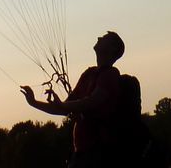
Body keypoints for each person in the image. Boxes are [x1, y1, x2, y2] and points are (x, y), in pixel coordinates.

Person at [21, 31, 140, 167]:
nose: (98, 37)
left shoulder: (111, 75)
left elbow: (91, 101)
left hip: (99, 153)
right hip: (81, 153)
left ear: (112, 49)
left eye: (105, 38)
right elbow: (63, 108)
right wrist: (34, 102)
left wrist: (63, 105)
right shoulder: (89, 74)